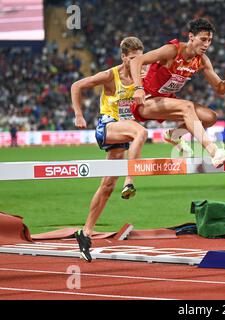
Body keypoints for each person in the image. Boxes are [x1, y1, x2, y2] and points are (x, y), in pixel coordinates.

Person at [71, 37, 148, 262]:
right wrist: (78, 113)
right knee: (140, 133)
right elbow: (77, 86)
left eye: (140, 60)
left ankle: (85, 232)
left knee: (106, 185)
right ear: (124, 57)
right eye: (133, 59)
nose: (137, 64)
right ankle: (130, 180)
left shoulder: (141, 76)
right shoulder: (110, 75)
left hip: (122, 134)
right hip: (108, 126)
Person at [130, 18, 225, 167]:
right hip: (146, 101)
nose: (206, 44)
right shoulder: (172, 50)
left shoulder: (202, 60)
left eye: (209, 40)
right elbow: (136, 61)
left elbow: (221, 89)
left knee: (210, 117)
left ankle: (174, 135)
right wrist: (138, 88)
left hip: (166, 102)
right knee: (186, 107)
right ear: (191, 37)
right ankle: (215, 153)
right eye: (203, 39)